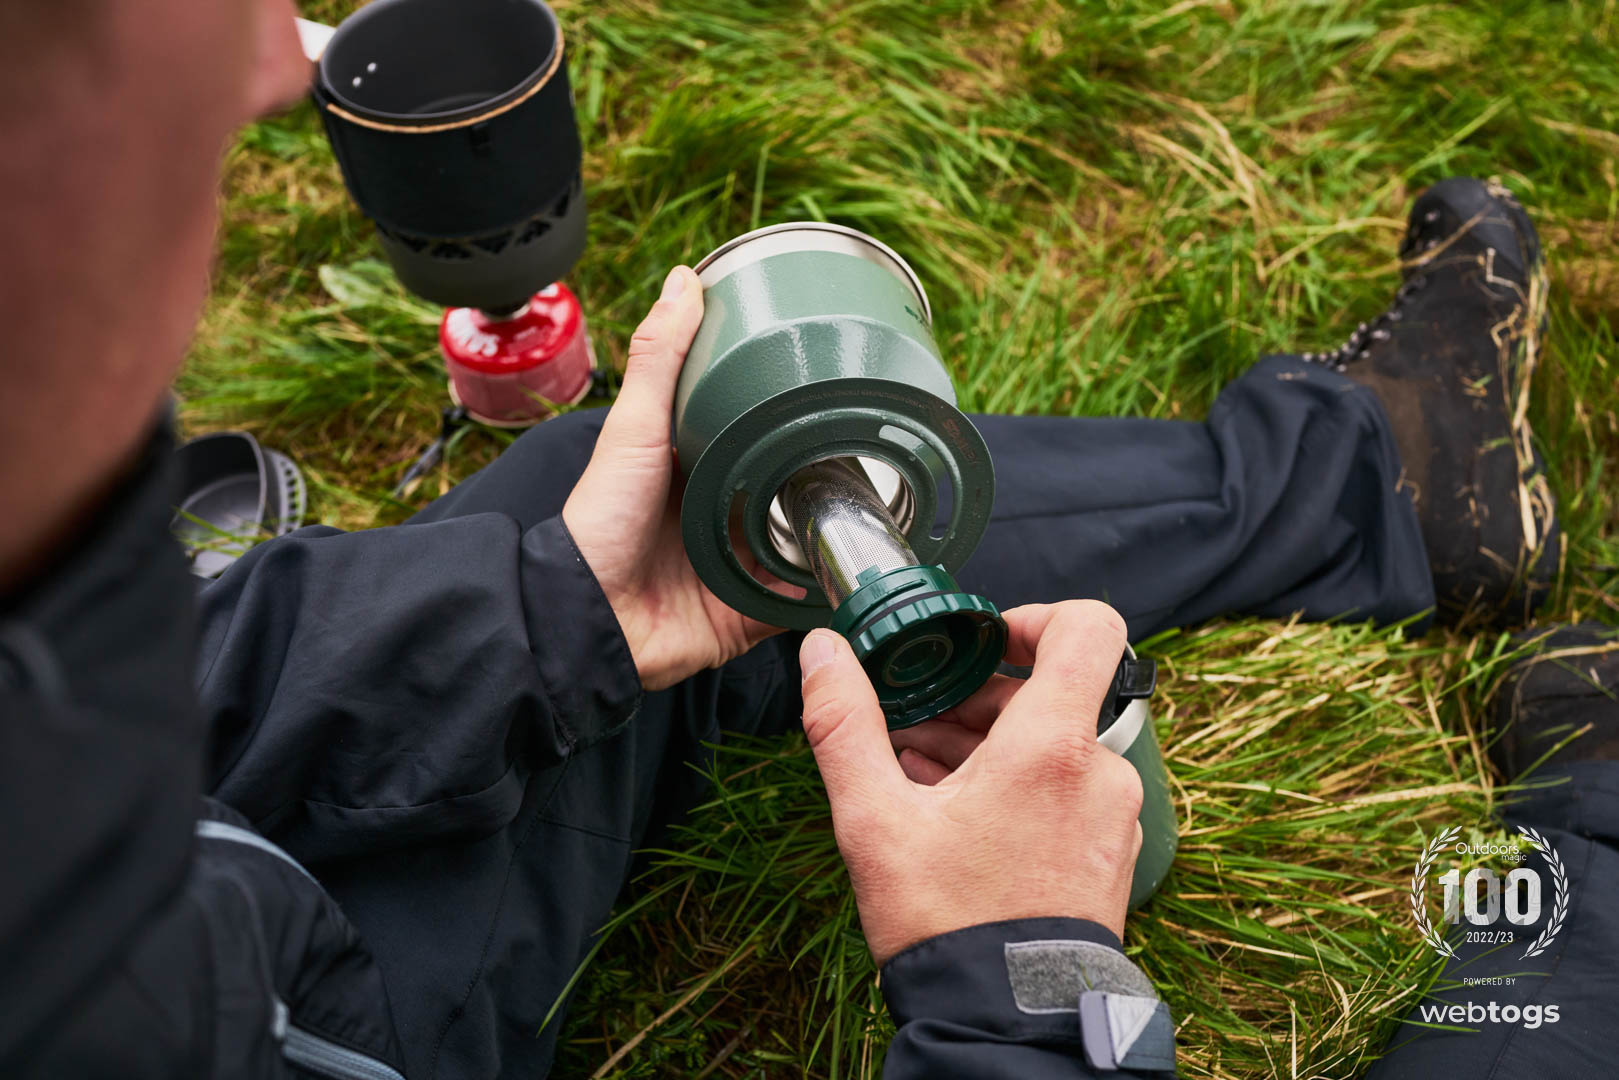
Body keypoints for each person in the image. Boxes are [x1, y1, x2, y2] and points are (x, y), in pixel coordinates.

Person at [0, 2, 1609, 1079]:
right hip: (332, 1018)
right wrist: (1016, 979)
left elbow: (188, 702)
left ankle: (1391, 480)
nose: (274, 67)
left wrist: (559, 614)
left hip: (246, 916)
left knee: (595, 513)